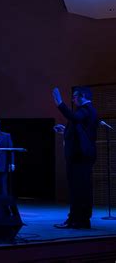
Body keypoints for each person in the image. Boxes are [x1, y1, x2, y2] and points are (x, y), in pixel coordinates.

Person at [53, 86, 98, 229]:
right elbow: (80, 130)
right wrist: (65, 131)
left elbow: (74, 118)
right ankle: (76, 219)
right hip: (80, 155)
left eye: (75, 96)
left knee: (79, 189)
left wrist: (60, 103)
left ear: (83, 96)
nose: (73, 98)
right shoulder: (86, 111)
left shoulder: (86, 110)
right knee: (78, 188)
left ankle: (78, 220)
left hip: (80, 156)